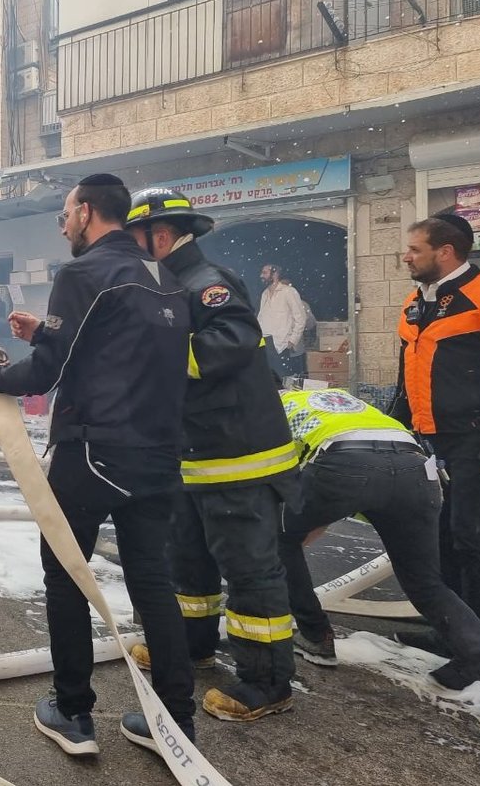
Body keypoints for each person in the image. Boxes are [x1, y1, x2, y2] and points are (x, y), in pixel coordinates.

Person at [0, 174, 196, 757]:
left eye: (67, 214)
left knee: (68, 575)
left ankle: (73, 713)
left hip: (93, 454)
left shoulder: (82, 273)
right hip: (156, 456)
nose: (64, 224)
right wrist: (46, 329)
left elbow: (46, 372)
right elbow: (112, 347)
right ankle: (175, 718)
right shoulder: (165, 278)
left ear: (88, 212)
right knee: (152, 583)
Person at [123, 188, 301, 722]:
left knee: (249, 571)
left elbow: (233, 341)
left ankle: (267, 683)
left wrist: (155, 360)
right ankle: (193, 645)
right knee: (189, 561)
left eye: (134, 239)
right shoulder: (169, 287)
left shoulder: (207, 284)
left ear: (159, 236)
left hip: (238, 458)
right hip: (195, 458)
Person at [276, 386, 480, 707]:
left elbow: (283, 483)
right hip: (416, 468)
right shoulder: (340, 400)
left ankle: (316, 635)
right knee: (427, 585)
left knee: (277, 538)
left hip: (344, 464)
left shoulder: (269, 407)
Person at [390, 213, 480, 645]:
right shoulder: (414, 302)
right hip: (428, 440)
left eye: (414, 249)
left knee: (470, 534)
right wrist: (393, 433)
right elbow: (406, 379)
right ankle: (450, 627)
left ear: (446, 252)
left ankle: (479, 637)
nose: (406, 256)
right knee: (437, 533)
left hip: (477, 440)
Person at [258, 263, 308, 378]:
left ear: (275, 274)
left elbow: (301, 317)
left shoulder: (289, 291)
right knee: (268, 380)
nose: (261, 275)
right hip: (266, 343)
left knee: (282, 381)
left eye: (265, 273)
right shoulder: (264, 294)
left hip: (282, 344)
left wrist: (292, 340)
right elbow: (261, 317)